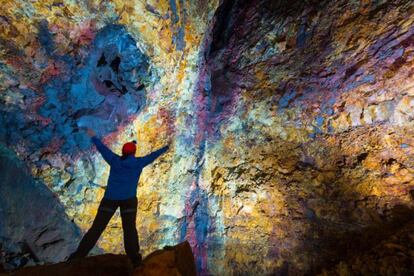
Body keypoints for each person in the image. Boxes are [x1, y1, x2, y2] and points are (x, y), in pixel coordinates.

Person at [67, 128, 169, 267]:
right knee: (129, 229)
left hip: (110, 199)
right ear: (134, 152)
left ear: (123, 151)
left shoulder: (114, 160)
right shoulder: (139, 163)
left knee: (97, 228)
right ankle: (135, 260)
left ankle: (78, 256)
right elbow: (153, 155)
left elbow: (102, 149)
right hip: (129, 201)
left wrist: (94, 136)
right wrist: (166, 147)